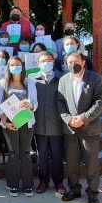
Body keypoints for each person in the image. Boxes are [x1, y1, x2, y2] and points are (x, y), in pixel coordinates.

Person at [57, 52, 102, 203]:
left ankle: (93, 192)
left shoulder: (95, 78)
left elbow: (99, 102)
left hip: (89, 128)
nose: (73, 64)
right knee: (71, 163)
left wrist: (83, 118)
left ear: (83, 62)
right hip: (70, 129)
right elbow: (60, 102)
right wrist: (69, 119)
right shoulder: (64, 80)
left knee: (92, 164)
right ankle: (74, 189)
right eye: (69, 62)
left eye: (76, 61)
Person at [0, 56, 38, 197]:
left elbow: (35, 103)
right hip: (10, 123)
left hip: (26, 121)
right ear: (8, 68)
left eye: (18, 64)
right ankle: (13, 184)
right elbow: (0, 106)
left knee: (26, 152)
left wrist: (29, 104)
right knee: (13, 152)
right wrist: (5, 122)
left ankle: (28, 184)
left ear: (22, 66)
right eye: (12, 65)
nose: (15, 67)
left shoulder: (29, 82)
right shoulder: (3, 84)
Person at [34, 51, 66, 194]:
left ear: (53, 62)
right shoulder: (32, 80)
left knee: (57, 155)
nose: (46, 63)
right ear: (38, 64)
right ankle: (43, 181)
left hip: (57, 124)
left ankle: (59, 182)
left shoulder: (62, 78)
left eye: (49, 60)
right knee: (42, 156)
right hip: (39, 124)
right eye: (42, 61)